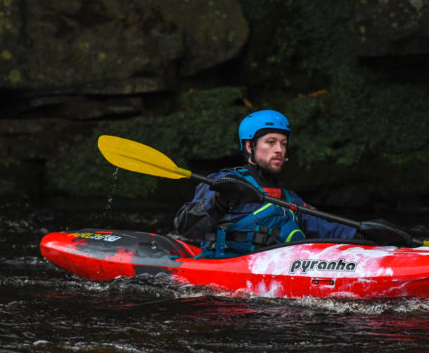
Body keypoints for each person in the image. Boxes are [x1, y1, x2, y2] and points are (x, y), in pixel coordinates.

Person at [174, 109, 413, 258]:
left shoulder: (286, 197)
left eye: (283, 143)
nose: (279, 149)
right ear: (249, 146)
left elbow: (324, 226)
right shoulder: (223, 182)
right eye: (270, 142)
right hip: (225, 270)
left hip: (273, 271)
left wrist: (365, 232)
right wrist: (218, 201)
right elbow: (186, 228)